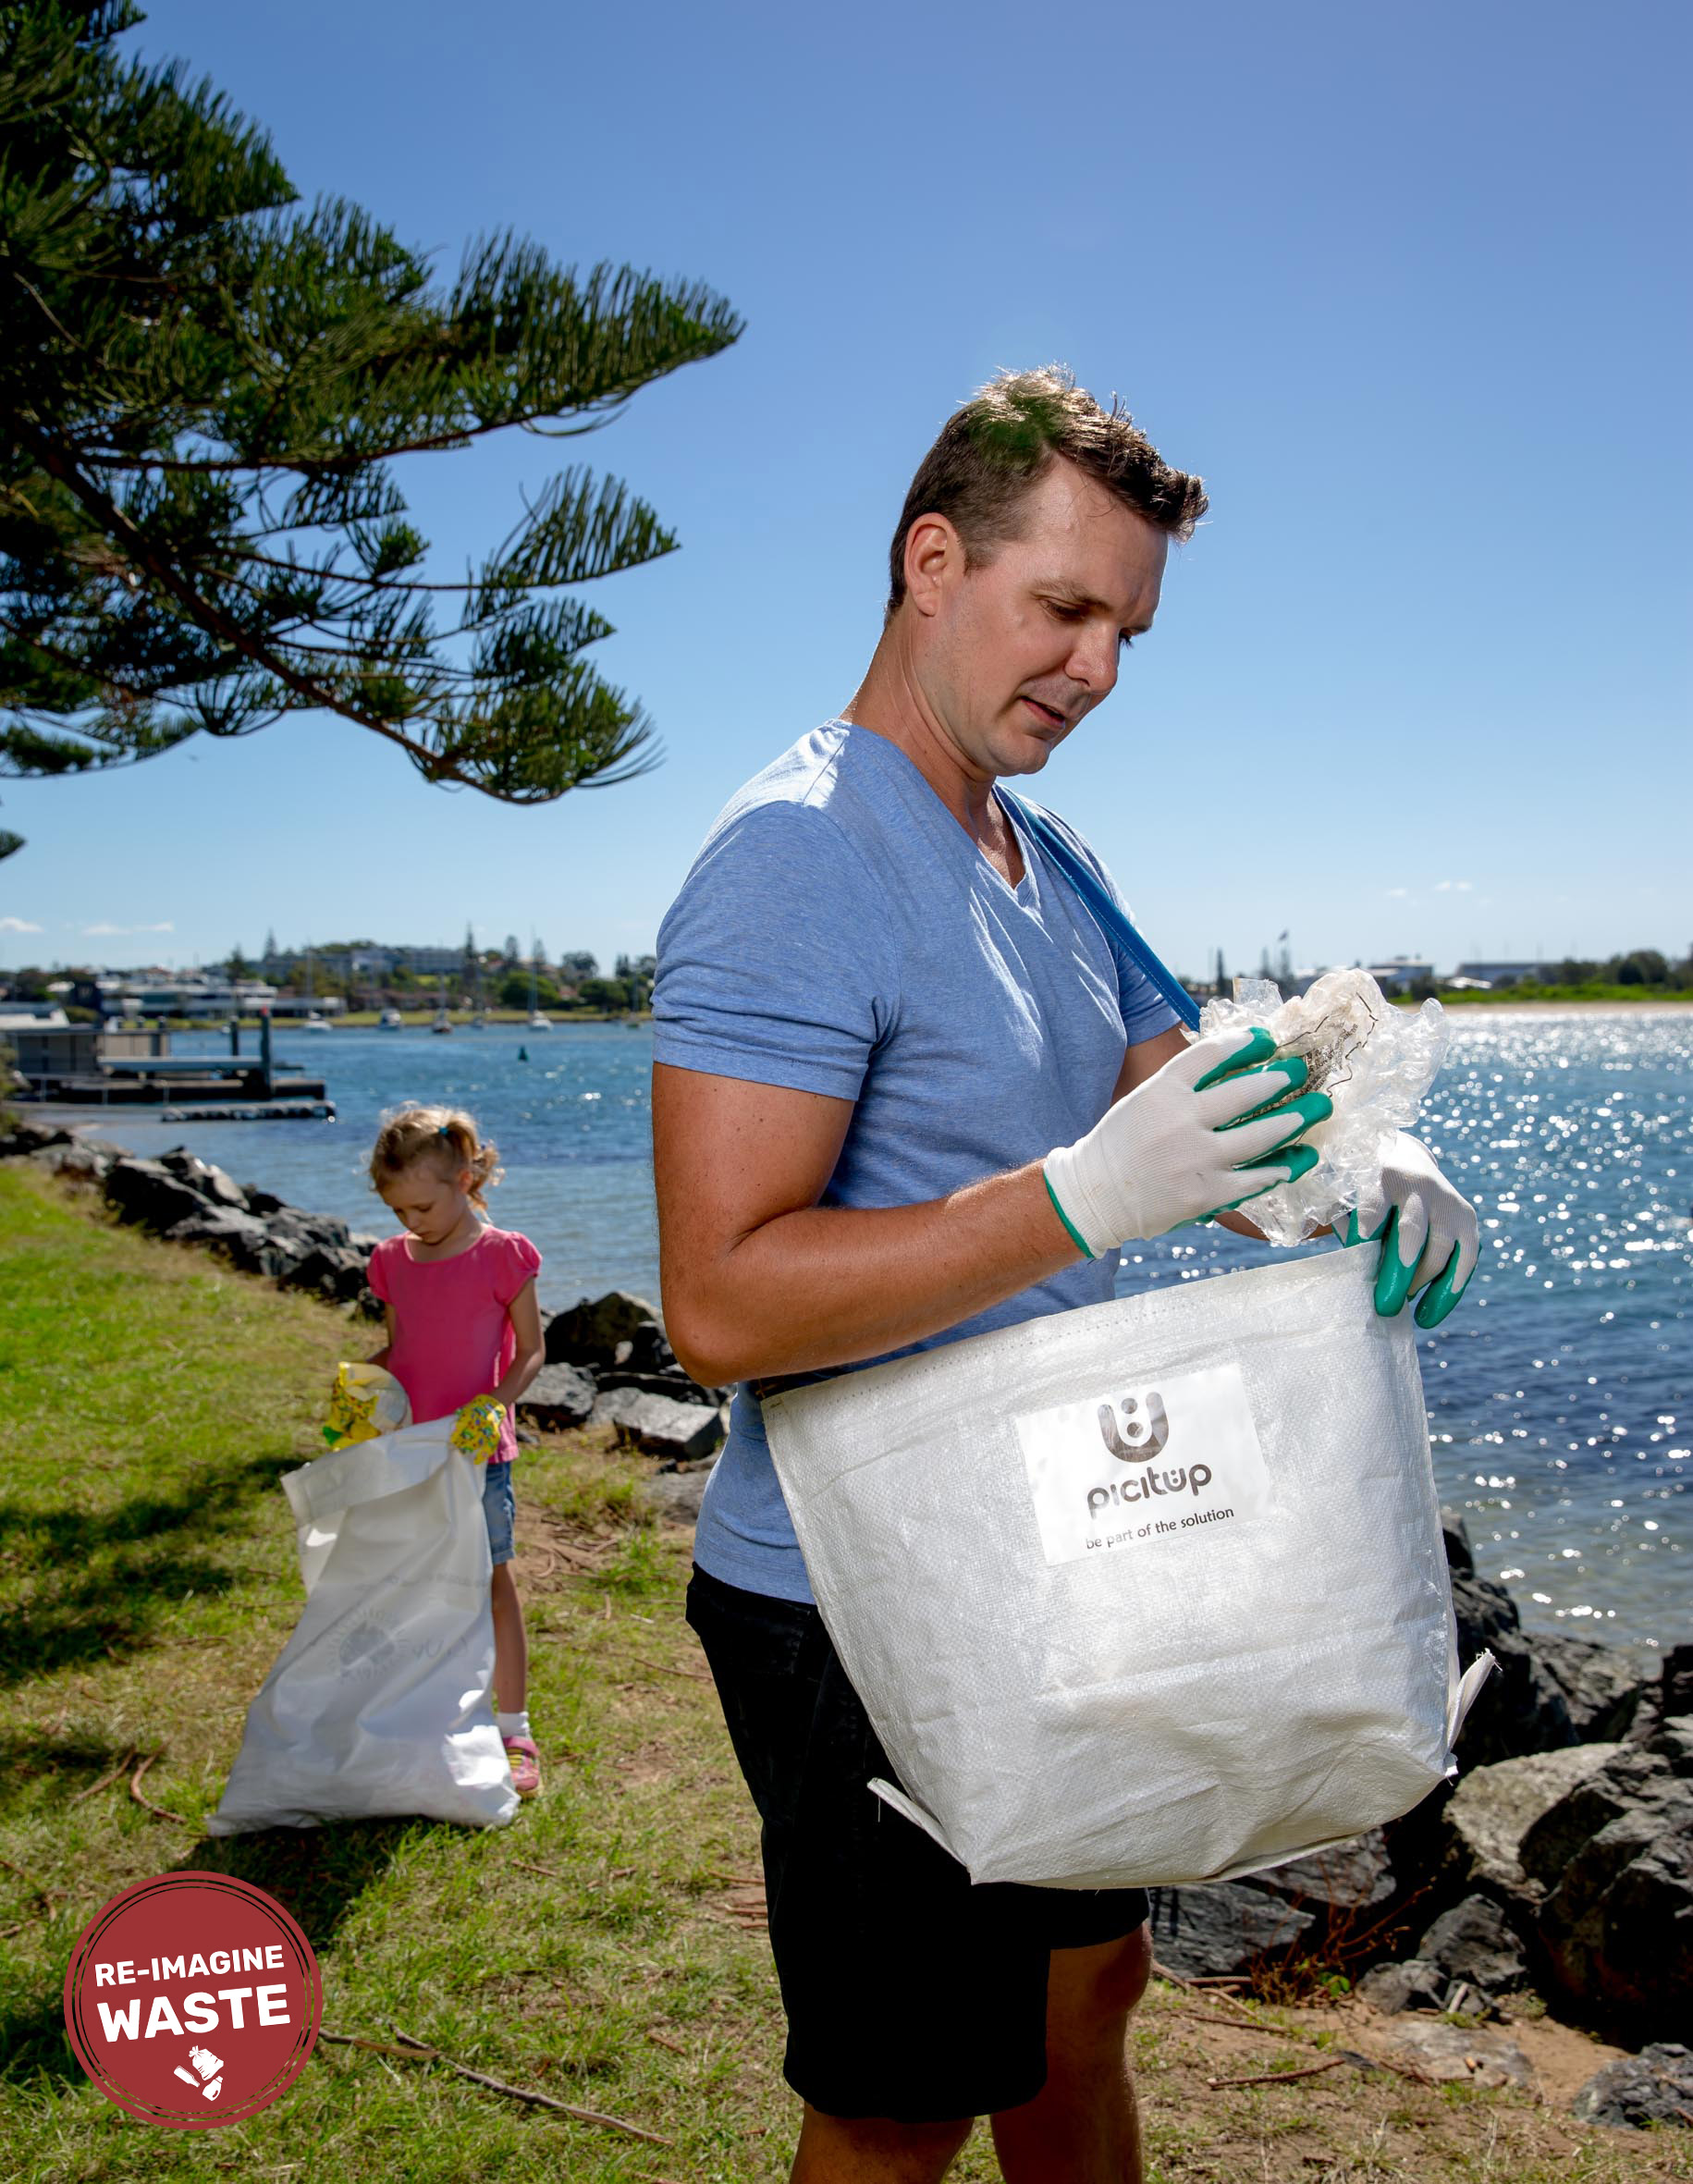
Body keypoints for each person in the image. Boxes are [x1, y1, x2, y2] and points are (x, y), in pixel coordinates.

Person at [650, 367, 1478, 2182]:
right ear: (930, 561)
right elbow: (718, 1301)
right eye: (1066, 607)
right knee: (899, 2096)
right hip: (852, 1593)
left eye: (1129, 628)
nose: (1098, 666)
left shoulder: (1054, 855)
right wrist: (1081, 1200)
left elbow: (1193, 1108)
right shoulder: (795, 854)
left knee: (1084, 1996)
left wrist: (1350, 1171)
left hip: (1060, 1554)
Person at [364, 1104, 548, 1797]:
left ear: (465, 1178)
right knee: (416, 1580)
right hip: (411, 1449)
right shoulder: (390, 1261)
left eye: (422, 1205)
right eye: (399, 1209)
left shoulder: (503, 1255)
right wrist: (362, 1386)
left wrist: (496, 1403)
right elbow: (400, 1349)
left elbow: (531, 1352)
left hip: (478, 1452)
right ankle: (433, 1708)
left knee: (491, 1581)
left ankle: (513, 1726)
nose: (412, 1222)